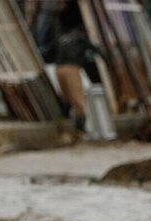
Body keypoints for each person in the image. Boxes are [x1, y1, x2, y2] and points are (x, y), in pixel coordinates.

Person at [52, 6, 102, 134]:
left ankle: (64, 127)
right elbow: (96, 51)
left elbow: (49, 53)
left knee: (66, 98)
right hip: (71, 68)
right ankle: (80, 130)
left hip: (58, 69)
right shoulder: (80, 39)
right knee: (78, 100)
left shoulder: (62, 39)